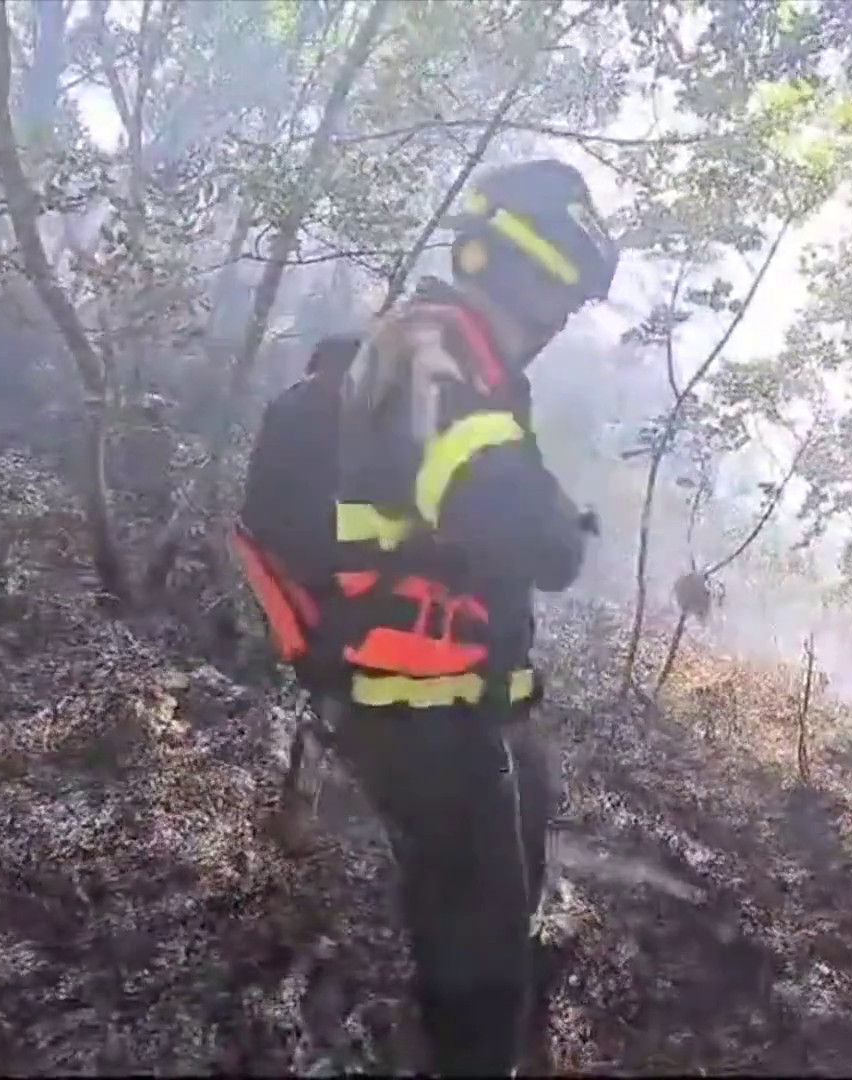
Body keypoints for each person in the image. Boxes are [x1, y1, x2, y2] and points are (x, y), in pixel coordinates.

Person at [230, 158, 617, 1076]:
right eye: (556, 289)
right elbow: (506, 511)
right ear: (508, 266)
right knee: (477, 973)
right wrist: (557, 527)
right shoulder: (433, 349)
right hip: (420, 718)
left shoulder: (454, 359)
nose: (560, 319)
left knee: (507, 905)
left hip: (456, 704)